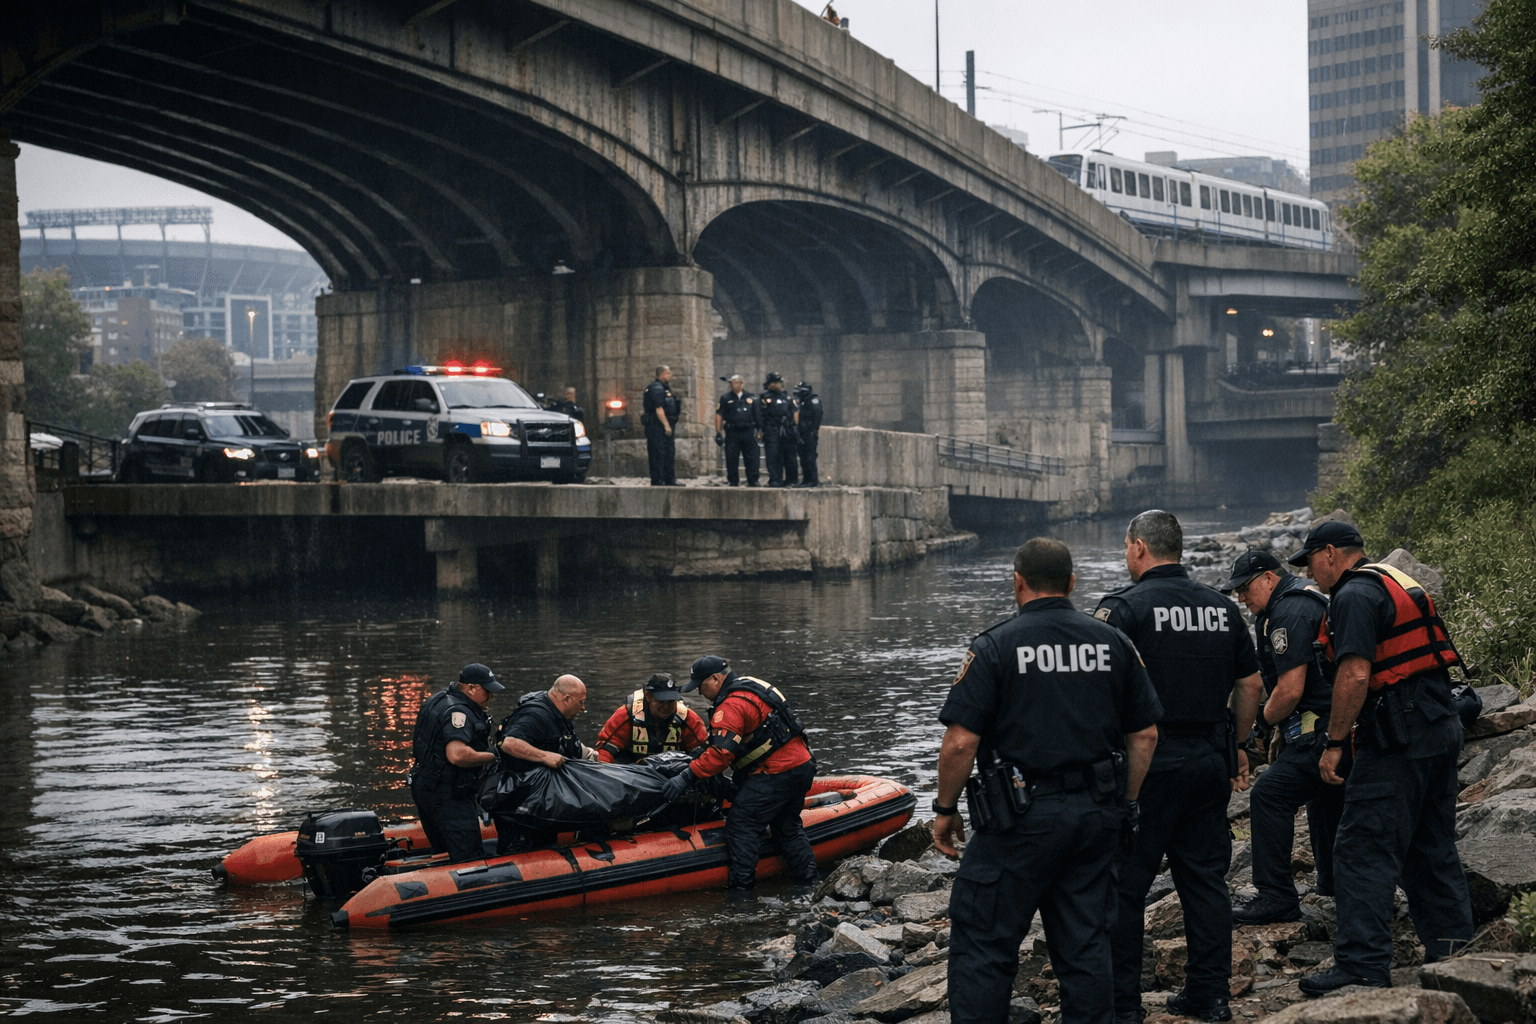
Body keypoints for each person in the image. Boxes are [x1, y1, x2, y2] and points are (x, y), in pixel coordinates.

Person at [935, 538, 1162, 1024]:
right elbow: (1145, 735)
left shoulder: (995, 646)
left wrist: (945, 809)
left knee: (984, 944)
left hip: (1017, 821)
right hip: (1095, 816)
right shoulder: (1114, 643)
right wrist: (1124, 803)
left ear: (1017, 582)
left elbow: (959, 743)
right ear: (1072, 583)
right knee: (1086, 947)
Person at [1288, 520, 1473, 996]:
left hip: (1399, 737)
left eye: (1310, 561)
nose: (1309, 573)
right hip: (1440, 724)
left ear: (1331, 553)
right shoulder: (1394, 580)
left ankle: (1361, 965)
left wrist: (1333, 743)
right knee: (1431, 847)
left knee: (1361, 848)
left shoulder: (1352, 595)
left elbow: (1353, 674)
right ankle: (1454, 958)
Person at [1096, 510, 1263, 1024]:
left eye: (1126, 546)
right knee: (1205, 881)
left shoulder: (1124, 609)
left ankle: (1123, 1007)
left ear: (1139, 547)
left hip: (1148, 765)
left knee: (1126, 885)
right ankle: (1210, 996)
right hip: (1209, 760)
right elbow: (1251, 684)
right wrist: (1239, 744)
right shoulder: (1222, 608)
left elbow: (1098, 693)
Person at [1218, 549, 1344, 924]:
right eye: (1237, 591)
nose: (1242, 597)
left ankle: (1275, 897)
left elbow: (1289, 691)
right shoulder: (1304, 595)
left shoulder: (1287, 612)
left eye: (1245, 588)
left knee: (1269, 795)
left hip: (1323, 726)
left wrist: (1261, 725)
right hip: (1339, 722)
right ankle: (1333, 882)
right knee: (1323, 795)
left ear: (1269, 578)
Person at [681, 654, 818, 891]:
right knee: (787, 827)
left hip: (777, 771)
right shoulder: (750, 686)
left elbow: (721, 755)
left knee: (741, 824)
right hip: (801, 765)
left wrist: (687, 775)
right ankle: (809, 885)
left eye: (701, 686)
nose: (700, 693)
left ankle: (742, 892)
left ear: (715, 679)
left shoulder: (731, 705)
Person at [408, 663, 504, 863]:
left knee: (443, 851)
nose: (491, 697)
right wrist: (494, 756)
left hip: (426, 785)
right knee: (468, 857)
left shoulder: (439, 699)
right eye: (487, 692)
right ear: (471, 688)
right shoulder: (459, 713)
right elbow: (457, 755)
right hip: (449, 795)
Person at [493, 674, 595, 853]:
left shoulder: (558, 714)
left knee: (546, 845)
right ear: (566, 699)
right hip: (520, 804)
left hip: (542, 802)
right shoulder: (536, 715)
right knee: (524, 849)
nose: (583, 708)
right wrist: (543, 756)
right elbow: (509, 743)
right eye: (581, 702)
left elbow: (564, 743)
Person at [594, 673, 708, 763]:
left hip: (673, 774)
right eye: (661, 701)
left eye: (671, 701)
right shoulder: (626, 716)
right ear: (648, 696)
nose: (666, 707)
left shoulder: (687, 719)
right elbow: (605, 752)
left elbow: (704, 753)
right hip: (631, 773)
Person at [715, 374, 762, 487]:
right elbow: (719, 415)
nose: (734, 385)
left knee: (751, 457)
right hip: (732, 431)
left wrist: (759, 430)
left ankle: (753, 480)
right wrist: (718, 432)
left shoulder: (751, 397)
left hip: (748, 431)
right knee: (731, 457)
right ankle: (733, 480)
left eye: (736, 382)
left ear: (741, 383)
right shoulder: (725, 398)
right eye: (732, 383)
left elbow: (757, 414)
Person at [642, 365, 681, 486]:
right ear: (662, 374)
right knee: (658, 453)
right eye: (668, 373)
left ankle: (669, 479)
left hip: (664, 425)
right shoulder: (656, 388)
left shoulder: (665, 388)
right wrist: (666, 425)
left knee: (668, 452)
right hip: (657, 426)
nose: (670, 376)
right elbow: (659, 408)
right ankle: (658, 480)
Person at [759, 373, 797, 487]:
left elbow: (794, 413)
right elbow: (761, 415)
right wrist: (762, 429)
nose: (780, 385)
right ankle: (775, 479)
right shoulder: (765, 397)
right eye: (778, 382)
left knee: (789, 456)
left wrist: (793, 426)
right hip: (772, 429)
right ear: (772, 384)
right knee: (773, 455)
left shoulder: (786, 397)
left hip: (786, 430)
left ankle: (791, 480)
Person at [791, 381, 823, 487]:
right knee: (803, 458)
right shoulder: (803, 402)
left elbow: (817, 414)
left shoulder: (813, 400)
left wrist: (813, 429)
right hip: (802, 434)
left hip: (809, 434)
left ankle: (813, 480)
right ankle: (806, 480)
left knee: (810, 457)